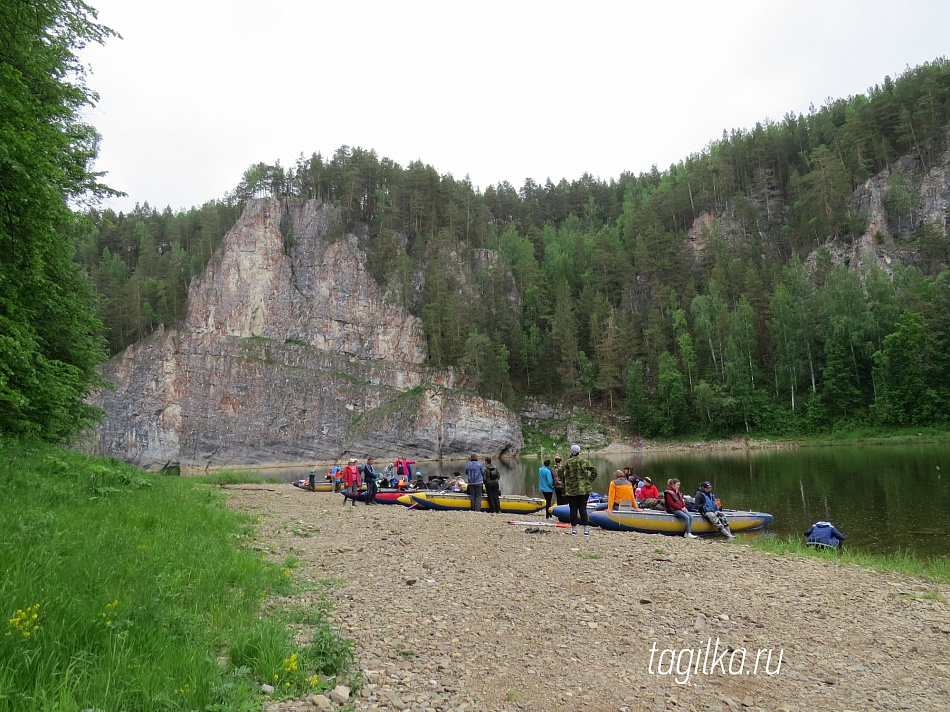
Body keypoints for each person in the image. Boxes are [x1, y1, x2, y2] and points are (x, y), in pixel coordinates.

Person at [562, 444, 599, 536]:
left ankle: (574, 530)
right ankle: (586, 530)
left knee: (573, 509)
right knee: (583, 509)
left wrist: (566, 479)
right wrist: (588, 481)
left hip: (571, 489)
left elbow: (560, 471)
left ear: (571, 451)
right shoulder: (584, 461)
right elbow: (594, 471)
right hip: (584, 489)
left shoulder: (567, 462)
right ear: (579, 451)